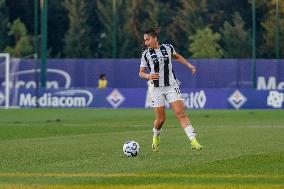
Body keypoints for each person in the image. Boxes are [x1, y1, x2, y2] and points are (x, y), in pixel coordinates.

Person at [139, 27, 203, 152]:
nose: (146, 42)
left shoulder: (168, 48)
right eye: (145, 40)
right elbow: (141, 73)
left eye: (148, 39)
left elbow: (177, 57)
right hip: (155, 88)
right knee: (161, 119)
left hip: (171, 85)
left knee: (181, 113)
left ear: (155, 38)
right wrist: (148, 75)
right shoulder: (145, 54)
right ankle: (156, 136)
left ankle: (194, 141)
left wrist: (189, 65)